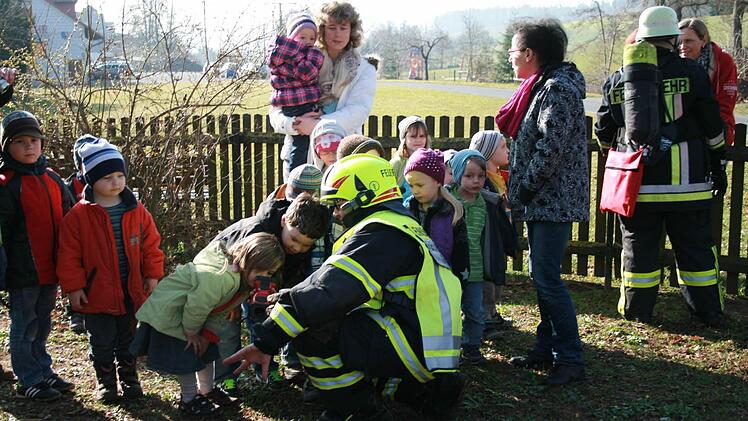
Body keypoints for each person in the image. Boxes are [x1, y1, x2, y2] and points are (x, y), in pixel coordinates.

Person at [224, 154, 465, 421]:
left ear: (362, 196)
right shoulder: (400, 225)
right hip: (423, 344)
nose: (336, 213)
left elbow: (328, 293)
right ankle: (416, 391)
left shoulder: (382, 233)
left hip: (411, 344)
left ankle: (352, 409)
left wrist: (267, 339)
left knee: (314, 326)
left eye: (338, 203)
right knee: (335, 319)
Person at [596, 7, 727, 327]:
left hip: (638, 185)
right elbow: (712, 125)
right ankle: (707, 311)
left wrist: (619, 149)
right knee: (695, 250)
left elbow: (603, 130)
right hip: (689, 185)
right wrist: (718, 162)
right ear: (673, 37)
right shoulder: (693, 73)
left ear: (641, 37)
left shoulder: (618, 80)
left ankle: (637, 311)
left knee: (638, 251)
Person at [498, 19, 588, 385]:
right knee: (542, 275)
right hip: (542, 201)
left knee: (547, 279)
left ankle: (570, 359)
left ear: (530, 54)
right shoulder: (541, 87)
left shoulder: (557, 90)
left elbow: (550, 151)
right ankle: (545, 348)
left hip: (552, 200)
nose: (511, 58)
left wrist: (523, 190)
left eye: (513, 52)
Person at [57, 138, 165, 402]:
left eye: (119, 175)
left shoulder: (136, 210)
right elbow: (68, 256)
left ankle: (130, 381)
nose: (115, 182)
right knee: (102, 342)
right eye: (106, 177)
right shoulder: (78, 216)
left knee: (128, 340)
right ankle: (106, 383)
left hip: (130, 289)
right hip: (97, 294)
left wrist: (152, 275)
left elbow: (152, 245)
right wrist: (74, 288)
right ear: (90, 180)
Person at [132, 233, 285, 416]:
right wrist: (192, 333)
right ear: (249, 259)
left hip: (193, 317)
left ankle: (207, 389)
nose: (266, 277)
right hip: (173, 313)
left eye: (270, 273)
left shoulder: (243, 285)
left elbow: (219, 310)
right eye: (264, 271)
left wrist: (207, 334)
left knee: (207, 350)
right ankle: (188, 400)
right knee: (187, 356)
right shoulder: (220, 276)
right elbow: (197, 305)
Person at [215, 192, 329, 389]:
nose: (298, 248)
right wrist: (230, 299)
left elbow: (294, 271)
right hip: (229, 282)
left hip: (265, 284)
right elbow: (230, 265)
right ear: (284, 221)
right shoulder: (255, 231)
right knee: (227, 329)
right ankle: (226, 376)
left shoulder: (300, 240)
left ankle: (265, 368)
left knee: (263, 322)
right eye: (294, 239)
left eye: (306, 245)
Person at [0, 110, 75, 400]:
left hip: (51, 267)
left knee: (43, 322)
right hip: (22, 270)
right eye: (20, 141)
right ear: (7, 147)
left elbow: (70, 217)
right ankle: (27, 378)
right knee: (24, 323)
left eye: (34, 140)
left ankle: (43, 371)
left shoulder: (53, 179)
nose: (29, 146)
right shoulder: (7, 184)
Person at [270, 1, 377, 180]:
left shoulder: (364, 68)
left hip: (343, 156)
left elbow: (358, 110)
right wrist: (293, 123)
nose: (338, 34)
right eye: (332, 27)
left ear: (352, 30)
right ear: (321, 29)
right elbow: (275, 110)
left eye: (343, 28)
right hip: (300, 158)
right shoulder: (302, 62)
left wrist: (318, 125)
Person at [447, 149, 513, 361]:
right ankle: (449, 349)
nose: (476, 181)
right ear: (457, 174)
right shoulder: (448, 200)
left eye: (481, 176)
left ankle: (472, 347)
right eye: (469, 176)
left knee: (475, 311)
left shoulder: (489, 203)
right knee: (449, 313)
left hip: (476, 270)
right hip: (452, 270)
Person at [468, 130, 514, 332]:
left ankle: (491, 312)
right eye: (502, 147)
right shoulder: (484, 180)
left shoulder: (497, 176)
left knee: (495, 272)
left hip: (497, 236)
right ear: (487, 152)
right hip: (486, 238)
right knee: (486, 275)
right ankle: (485, 316)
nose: (508, 150)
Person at [269, 12, 325, 173]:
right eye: (302, 38)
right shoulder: (310, 56)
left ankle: (298, 175)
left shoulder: (280, 56)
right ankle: (297, 177)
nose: (307, 42)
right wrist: (295, 122)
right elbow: (307, 73)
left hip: (289, 102)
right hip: (298, 105)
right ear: (292, 37)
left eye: (311, 38)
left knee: (301, 144)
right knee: (300, 144)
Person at [403, 148, 469, 283]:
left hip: (444, 284)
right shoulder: (407, 211)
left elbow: (461, 254)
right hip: (413, 284)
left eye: (420, 185)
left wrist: (459, 284)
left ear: (438, 181)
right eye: (411, 185)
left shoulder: (452, 212)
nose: (415, 190)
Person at [678, 18, 738, 146]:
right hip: (683, 133)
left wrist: (715, 133)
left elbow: (726, 103)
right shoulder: (673, 62)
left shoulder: (722, 61)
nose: (683, 47)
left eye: (689, 41)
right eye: (679, 42)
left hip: (714, 129)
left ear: (703, 40)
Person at [63, 134, 99, 334]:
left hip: (101, 238)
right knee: (77, 273)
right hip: (78, 236)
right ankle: (76, 312)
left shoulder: (105, 181)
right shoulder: (69, 186)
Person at [390, 116, 431, 190]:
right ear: (404, 139)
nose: (418, 140)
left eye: (422, 136)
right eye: (413, 136)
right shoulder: (397, 163)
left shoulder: (430, 161)